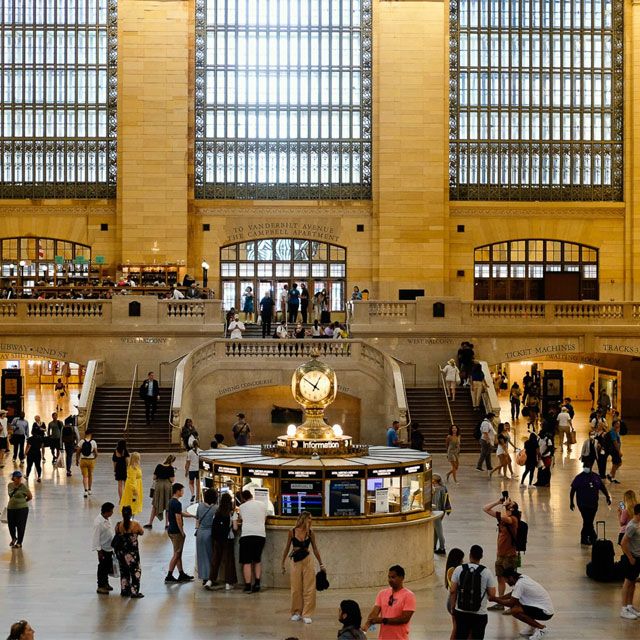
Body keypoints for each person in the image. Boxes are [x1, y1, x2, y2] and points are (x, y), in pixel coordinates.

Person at [281, 511, 325, 624]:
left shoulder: (310, 533)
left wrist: (321, 564)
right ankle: (296, 612)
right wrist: (282, 563)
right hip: (295, 561)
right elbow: (286, 548)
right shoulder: (292, 531)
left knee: (309, 587)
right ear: (304, 519)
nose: (311, 520)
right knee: (296, 588)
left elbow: (315, 548)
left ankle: (307, 613)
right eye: (309, 518)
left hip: (308, 560)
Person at [448, 545, 497, 640]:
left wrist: (453, 606)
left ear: (470, 555)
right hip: (479, 613)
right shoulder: (486, 572)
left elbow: (453, 590)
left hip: (461, 612)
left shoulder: (459, 569)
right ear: (481, 557)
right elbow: (492, 595)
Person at [493, 568, 554, 640]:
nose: (506, 582)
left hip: (545, 612)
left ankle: (541, 628)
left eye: (506, 580)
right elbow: (513, 593)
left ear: (511, 577)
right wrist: (500, 598)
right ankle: (532, 627)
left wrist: (495, 599)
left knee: (515, 610)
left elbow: (510, 603)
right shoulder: (522, 577)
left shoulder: (520, 584)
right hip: (541, 607)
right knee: (518, 604)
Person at [483, 496, 520, 608]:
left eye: (510, 503)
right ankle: (501, 603)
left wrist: (503, 506)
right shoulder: (502, 517)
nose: (508, 503)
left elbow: (504, 517)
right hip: (500, 554)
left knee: (512, 580)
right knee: (500, 578)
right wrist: (498, 502)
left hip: (510, 555)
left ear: (512, 509)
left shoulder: (513, 519)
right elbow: (485, 508)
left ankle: (515, 603)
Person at [364, 565, 416, 639]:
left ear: (401, 578)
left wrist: (383, 620)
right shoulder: (382, 593)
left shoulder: (409, 595)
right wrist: (367, 625)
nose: (390, 580)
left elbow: (405, 618)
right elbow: (374, 613)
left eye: (393, 577)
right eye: (389, 577)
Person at [234, 489, 267, 592]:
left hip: (247, 535)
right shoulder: (262, 505)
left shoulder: (242, 507)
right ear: (252, 495)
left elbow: (241, 519)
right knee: (257, 560)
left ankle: (248, 585)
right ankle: (257, 584)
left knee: (246, 562)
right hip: (260, 534)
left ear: (243, 498)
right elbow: (264, 519)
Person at [569, 465, 612, 545]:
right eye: (585, 466)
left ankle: (586, 538)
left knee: (589, 521)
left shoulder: (596, 477)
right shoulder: (579, 477)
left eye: (587, 466)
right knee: (587, 520)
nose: (586, 468)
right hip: (583, 504)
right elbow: (573, 490)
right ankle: (592, 536)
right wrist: (571, 502)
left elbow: (602, 487)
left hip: (593, 504)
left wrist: (607, 496)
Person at [206, 491, 237, 591]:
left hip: (217, 539)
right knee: (229, 561)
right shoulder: (232, 513)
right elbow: (235, 528)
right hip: (228, 539)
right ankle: (228, 583)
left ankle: (210, 580)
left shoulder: (217, 512)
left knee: (215, 560)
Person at [165, 482, 196, 583]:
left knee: (178, 553)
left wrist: (191, 515)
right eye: (182, 490)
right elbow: (178, 518)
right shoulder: (177, 503)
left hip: (171, 529)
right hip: (176, 531)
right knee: (177, 553)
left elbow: (179, 513)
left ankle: (181, 573)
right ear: (177, 491)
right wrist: (182, 532)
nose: (183, 492)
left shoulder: (171, 502)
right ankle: (169, 575)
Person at [114, 505, 145, 598]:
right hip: (132, 553)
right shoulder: (135, 525)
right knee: (135, 571)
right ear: (131, 514)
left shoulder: (119, 525)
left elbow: (116, 534)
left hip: (121, 552)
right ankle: (134, 591)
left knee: (124, 571)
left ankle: (124, 589)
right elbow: (142, 532)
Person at [144, 454, 176, 529]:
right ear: (172, 461)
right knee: (167, 506)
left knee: (155, 505)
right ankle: (167, 524)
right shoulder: (171, 468)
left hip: (158, 486)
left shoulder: (158, 466)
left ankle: (150, 523)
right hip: (167, 487)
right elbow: (172, 480)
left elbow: (154, 477)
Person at [620, 504, 640, 619]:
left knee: (633, 583)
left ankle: (629, 605)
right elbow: (623, 543)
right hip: (632, 558)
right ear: (638, 514)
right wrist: (630, 558)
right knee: (627, 582)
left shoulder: (638, 524)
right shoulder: (632, 526)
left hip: (638, 557)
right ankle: (623, 609)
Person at [195, 488, 218, 584]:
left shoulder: (200, 506)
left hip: (200, 533)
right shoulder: (215, 508)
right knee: (210, 556)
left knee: (201, 556)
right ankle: (209, 577)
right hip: (209, 533)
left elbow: (197, 518)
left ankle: (204, 576)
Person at [92, 502, 115, 594]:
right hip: (103, 549)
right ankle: (100, 585)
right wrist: (99, 551)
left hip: (109, 547)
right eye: (111, 511)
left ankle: (106, 583)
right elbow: (96, 537)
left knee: (107, 567)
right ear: (107, 512)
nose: (112, 513)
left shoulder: (108, 519)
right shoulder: (98, 522)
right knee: (102, 567)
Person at [6, 471, 32, 549]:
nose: (19, 479)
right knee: (11, 525)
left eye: (20, 477)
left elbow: (30, 497)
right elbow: (10, 494)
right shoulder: (10, 485)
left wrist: (23, 502)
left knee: (21, 526)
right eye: (17, 477)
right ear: (13, 478)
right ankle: (14, 538)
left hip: (22, 509)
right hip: (11, 508)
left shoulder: (23, 486)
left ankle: (19, 543)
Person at [119, 451, 143, 517]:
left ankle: (132, 517)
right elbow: (132, 480)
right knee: (132, 503)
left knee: (135, 503)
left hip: (138, 485)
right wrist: (135, 490)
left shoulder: (136, 467)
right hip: (133, 488)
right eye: (139, 458)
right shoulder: (132, 468)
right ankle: (130, 518)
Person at [75, 429, 98, 498]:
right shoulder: (93, 442)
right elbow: (96, 453)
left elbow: (77, 451)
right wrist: (94, 457)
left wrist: (77, 459)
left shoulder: (81, 441)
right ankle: (90, 490)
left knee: (85, 476)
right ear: (91, 434)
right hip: (91, 460)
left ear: (85, 434)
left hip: (83, 460)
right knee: (90, 475)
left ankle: (85, 490)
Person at [432, 474, 450, 555]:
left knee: (439, 531)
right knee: (435, 530)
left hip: (436, 511)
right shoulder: (443, 488)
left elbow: (435, 502)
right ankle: (434, 546)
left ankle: (442, 548)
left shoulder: (436, 490)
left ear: (434, 480)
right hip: (442, 511)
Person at [607, 419, 623, 483]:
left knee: (616, 463)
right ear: (614, 424)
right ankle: (611, 475)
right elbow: (615, 442)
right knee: (618, 463)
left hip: (615, 450)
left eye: (619, 423)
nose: (619, 424)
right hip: (615, 450)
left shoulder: (615, 430)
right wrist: (619, 451)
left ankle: (611, 476)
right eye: (617, 423)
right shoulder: (613, 432)